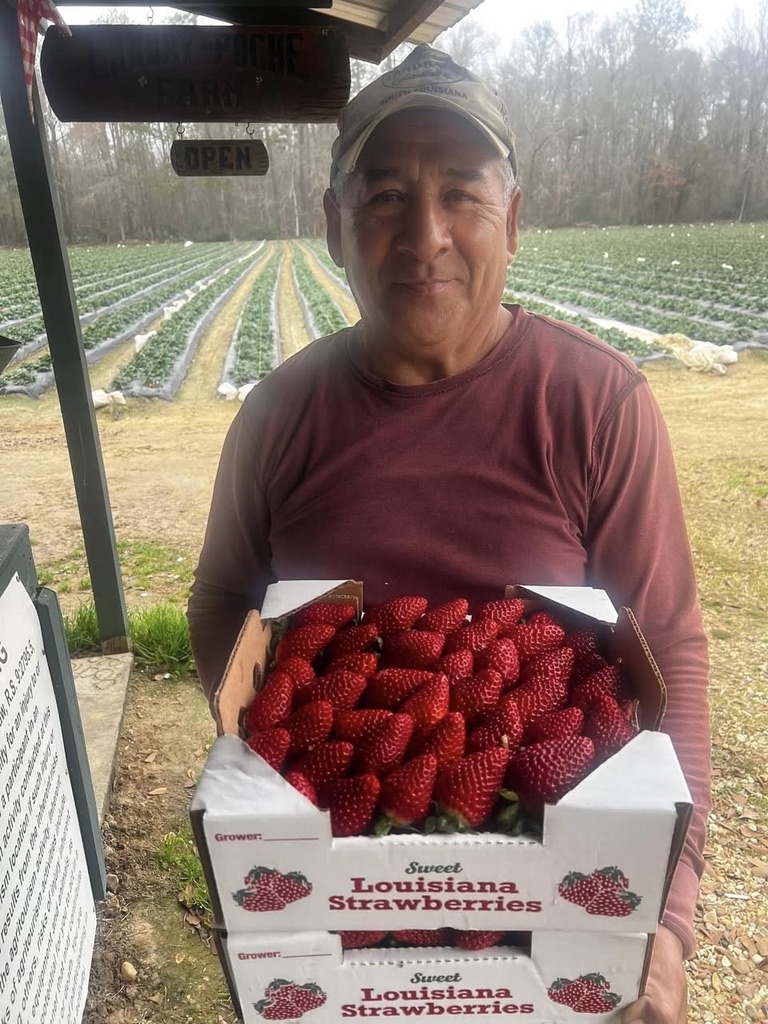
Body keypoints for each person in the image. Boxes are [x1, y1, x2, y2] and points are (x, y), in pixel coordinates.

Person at [188, 43, 709, 1024]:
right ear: (333, 224)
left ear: (512, 219)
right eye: (385, 195)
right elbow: (222, 601)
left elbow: (667, 645)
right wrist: (268, 775)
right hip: (347, 915)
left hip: (551, 910)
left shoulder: (597, 405)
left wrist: (666, 916)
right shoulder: (278, 417)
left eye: (462, 193)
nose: (424, 235)